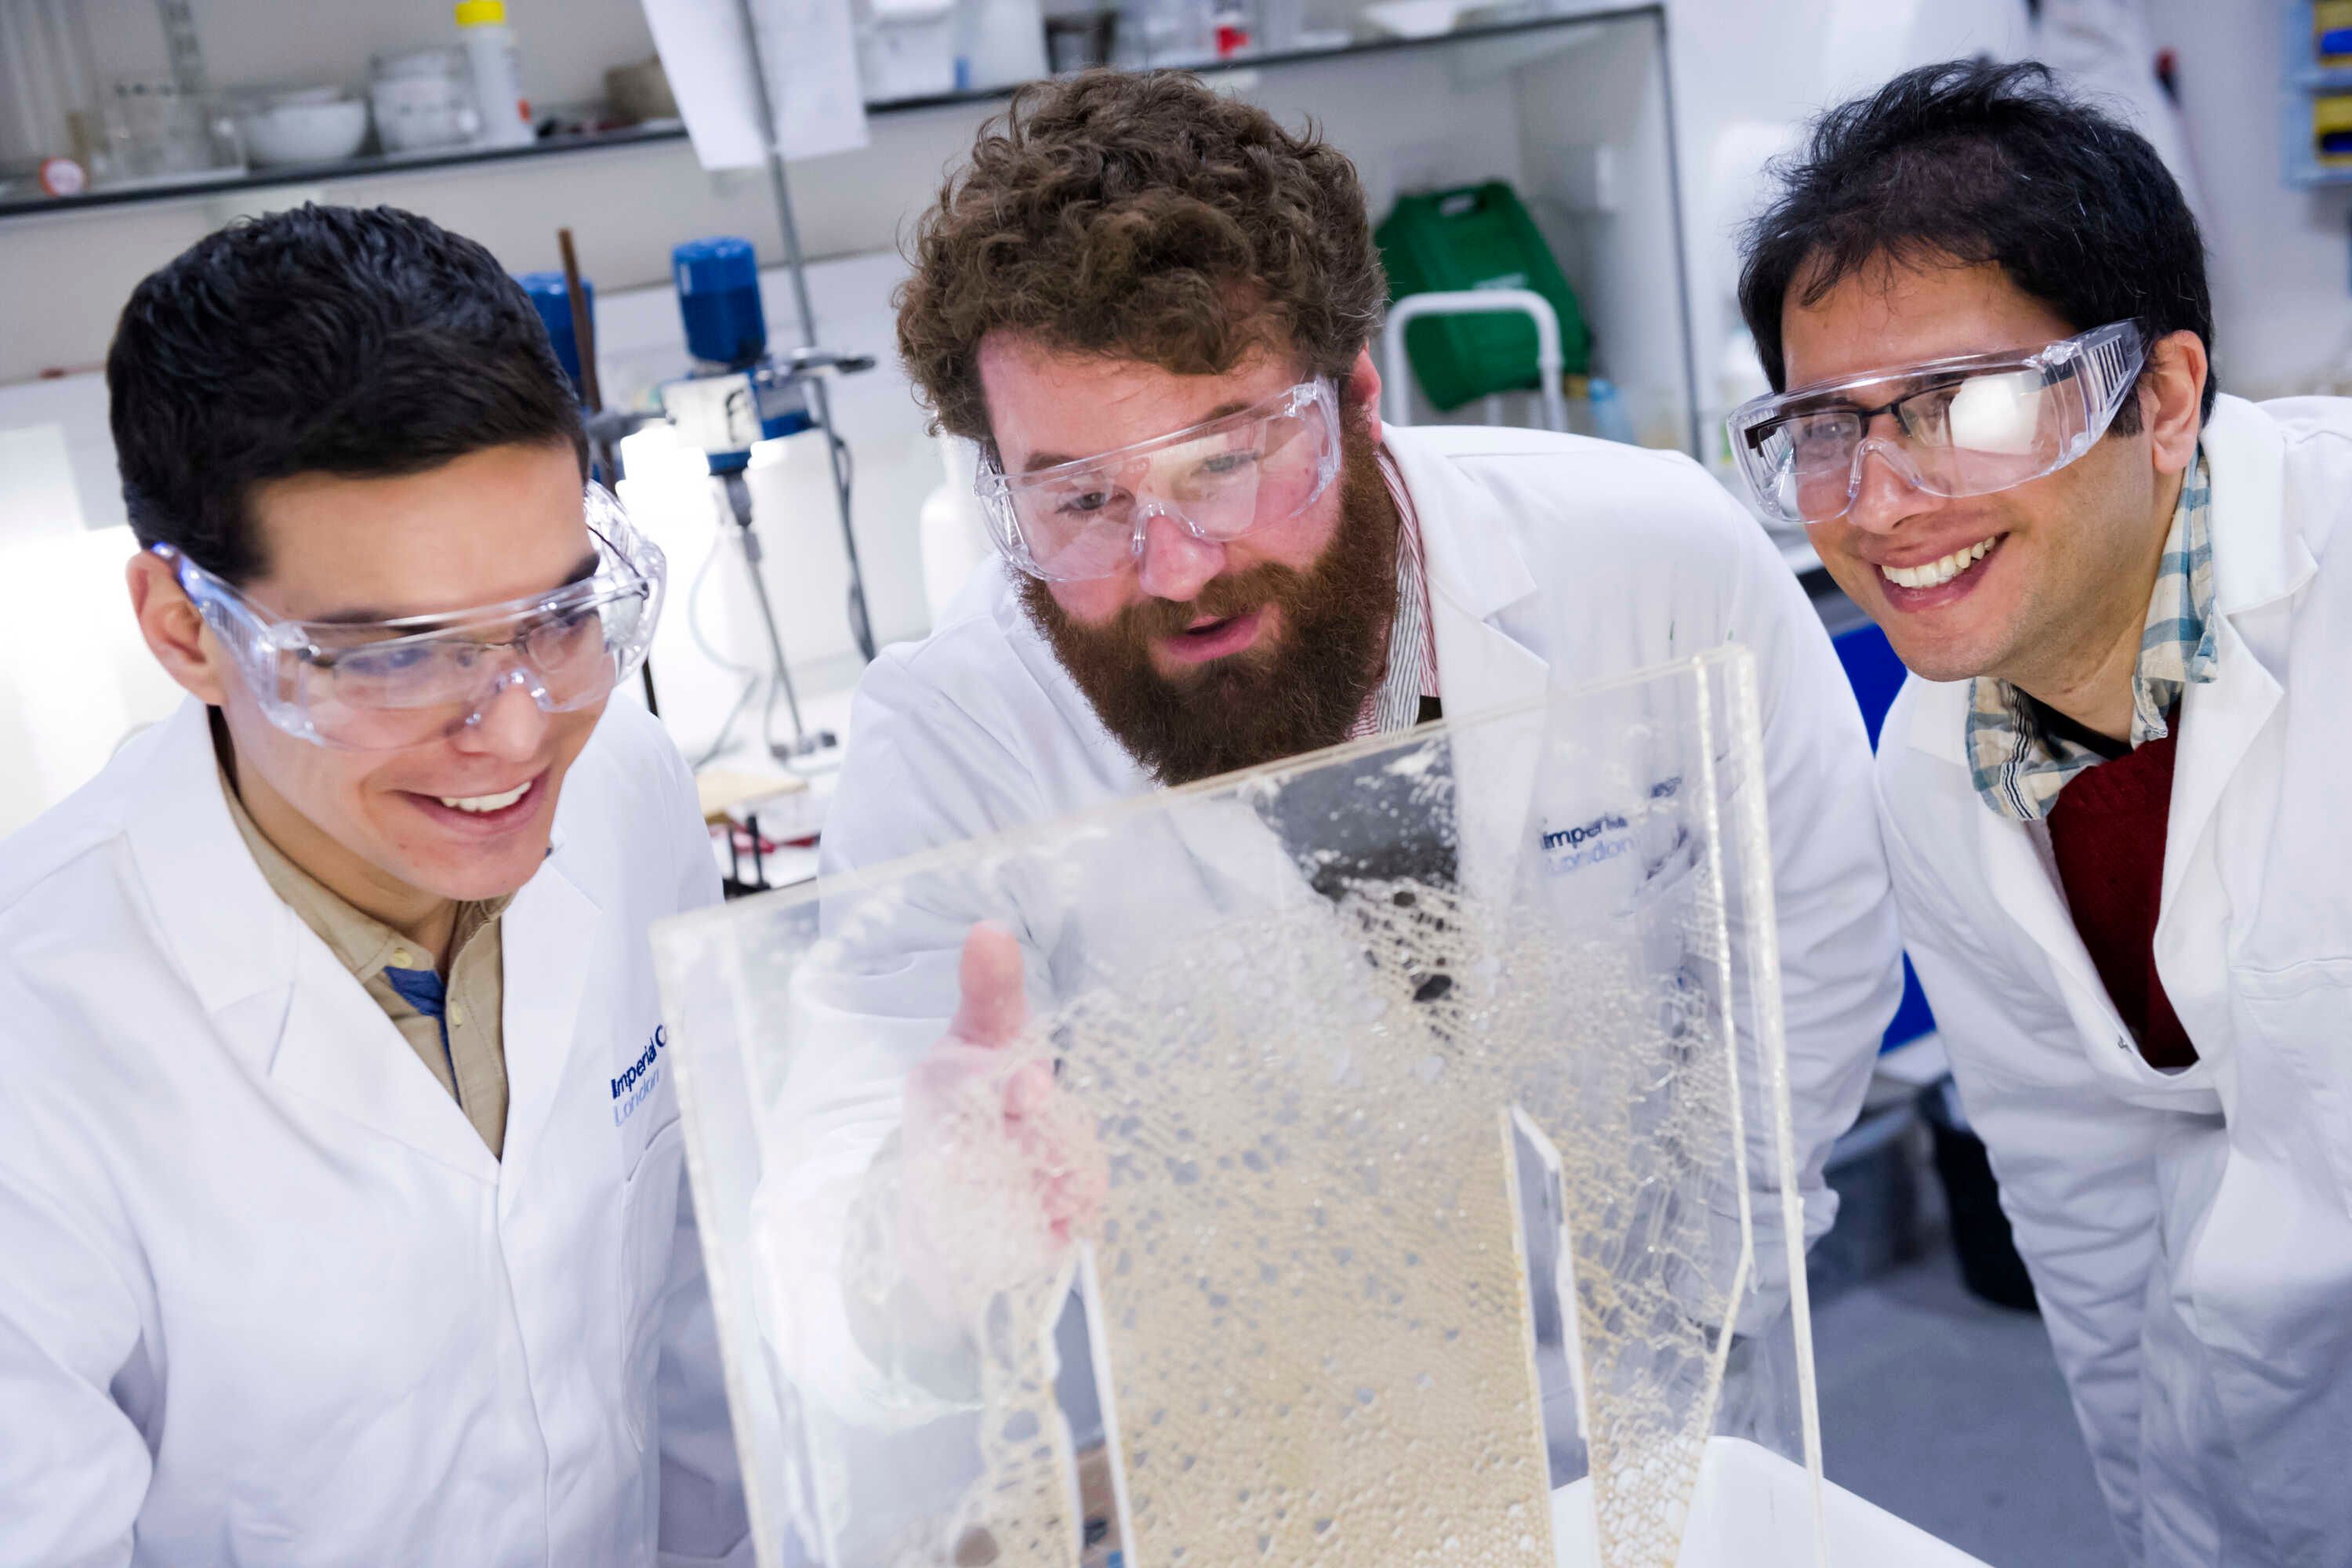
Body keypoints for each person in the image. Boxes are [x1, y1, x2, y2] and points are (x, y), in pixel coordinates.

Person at [789, 71, 1900, 1417]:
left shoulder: (1652, 553)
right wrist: (915, 1258)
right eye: (1081, 498)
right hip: (1286, 1473)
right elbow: (828, 1205)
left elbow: (1822, 927)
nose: (1174, 566)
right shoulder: (958, 731)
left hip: (1673, 1392)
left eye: (1226, 461)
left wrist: (1707, 1285)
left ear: (1359, 399)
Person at [0, 205, 746, 1565]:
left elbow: (695, 1319)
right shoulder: (36, 1032)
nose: (518, 731)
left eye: (559, 618)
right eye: (400, 656)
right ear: (186, 631)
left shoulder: (627, 788)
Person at [1733, 60, 2352, 1567]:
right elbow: (2082, 1204)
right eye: (1827, 428)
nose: (1878, 504)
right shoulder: (1935, 765)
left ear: (2165, 397)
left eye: (1960, 407)